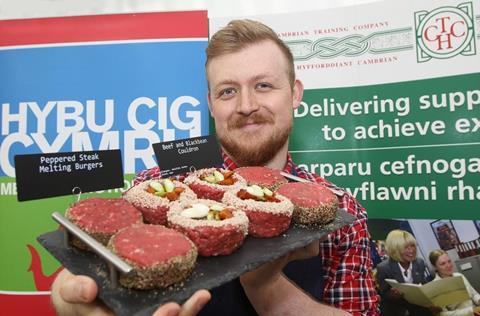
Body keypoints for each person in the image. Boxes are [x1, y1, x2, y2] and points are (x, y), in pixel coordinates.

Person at [51, 19, 380, 315]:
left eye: (263, 85)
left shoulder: (340, 208)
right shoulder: (155, 187)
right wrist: (74, 295)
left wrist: (265, 287)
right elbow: (99, 266)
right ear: (211, 104)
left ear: (294, 94)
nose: (247, 106)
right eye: (228, 91)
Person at [376, 229, 435, 316]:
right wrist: (392, 295)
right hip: (398, 311)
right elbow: (383, 293)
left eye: (413, 246)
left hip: (420, 308)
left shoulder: (420, 263)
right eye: (406, 247)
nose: (411, 251)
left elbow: (422, 283)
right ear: (395, 249)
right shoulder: (384, 268)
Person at [429, 249, 480, 316]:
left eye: (449, 261)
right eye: (443, 263)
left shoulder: (459, 275)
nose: (448, 265)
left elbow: (474, 294)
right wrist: (471, 311)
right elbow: (442, 314)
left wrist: (479, 300)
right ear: (435, 267)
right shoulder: (434, 287)